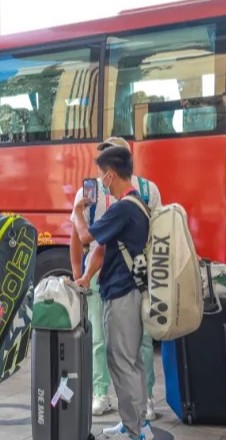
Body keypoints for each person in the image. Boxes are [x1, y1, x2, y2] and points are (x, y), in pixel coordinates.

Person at [70, 137, 163, 423]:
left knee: (122, 360)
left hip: (123, 291)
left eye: (101, 174)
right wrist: (85, 275)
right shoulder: (135, 202)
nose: (100, 181)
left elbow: (87, 238)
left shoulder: (123, 207)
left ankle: (132, 431)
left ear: (110, 173)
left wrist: (76, 214)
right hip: (129, 286)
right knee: (131, 358)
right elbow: (104, 247)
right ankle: (137, 426)